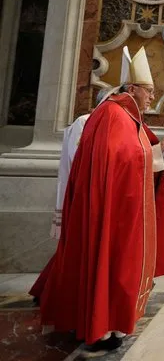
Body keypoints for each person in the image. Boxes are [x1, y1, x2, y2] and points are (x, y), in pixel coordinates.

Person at [31, 46, 164, 356]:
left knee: (111, 266)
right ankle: (99, 328)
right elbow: (118, 158)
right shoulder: (113, 114)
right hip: (108, 209)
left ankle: (106, 324)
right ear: (133, 88)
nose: (152, 97)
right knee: (105, 264)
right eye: (149, 91)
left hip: (116, 206)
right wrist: (149, 155)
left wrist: (156, 151)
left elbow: (127, 156)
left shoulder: (122, 114)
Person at [29, 88, 113, 302]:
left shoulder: (110, 124)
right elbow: (79, 158)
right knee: (76, 247)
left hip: (100, 191)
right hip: (82, 191)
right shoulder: (85, 122)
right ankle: (51, 291)